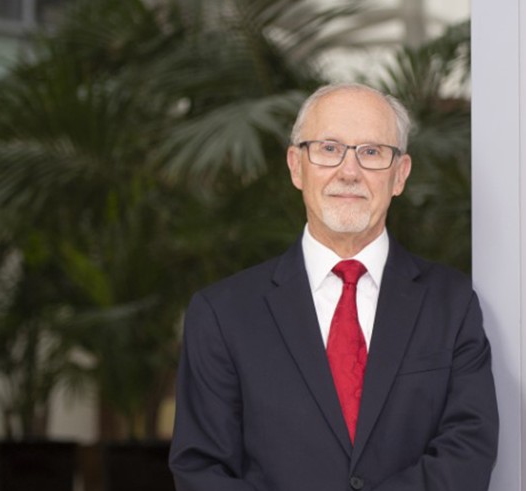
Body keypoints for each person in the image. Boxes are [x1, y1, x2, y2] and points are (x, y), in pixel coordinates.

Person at [169, 83, 498, 491]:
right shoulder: (223, 314)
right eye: (329, 149)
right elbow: (202, 471)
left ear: (400, 175)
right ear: (295, 166)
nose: (349, 171)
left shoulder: (451, 303)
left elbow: (467, 452)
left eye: (372, 152)